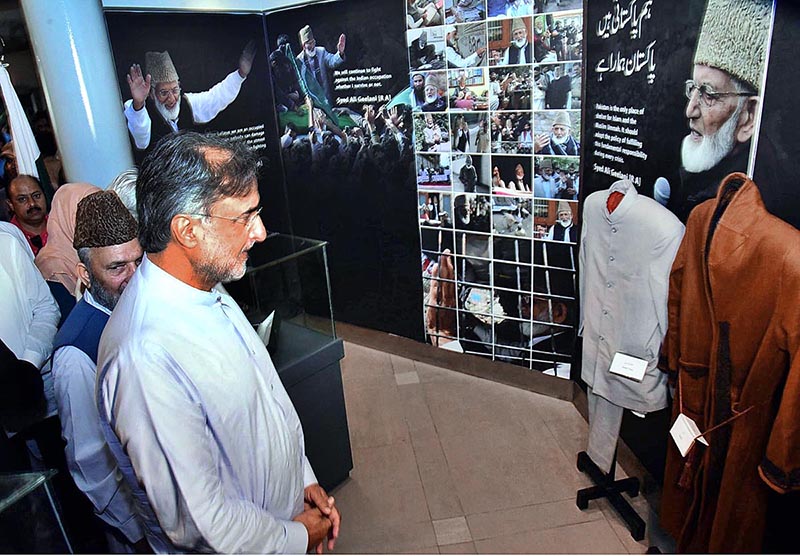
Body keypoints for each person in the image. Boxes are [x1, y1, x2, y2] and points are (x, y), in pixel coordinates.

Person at [97, 132, 340, 553]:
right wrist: (301, 535)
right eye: (244, 217)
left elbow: (264, 400)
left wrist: (303, 479)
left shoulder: (205, 281)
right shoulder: (144, 356)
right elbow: (201, 521)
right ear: (188, 230)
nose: (260, 232)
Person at [51, 191, 145, 552]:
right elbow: (91, 465)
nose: (133, 277)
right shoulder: (75, 355)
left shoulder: (135, 307)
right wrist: (138, 532)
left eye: (138, 262)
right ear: (84, 275)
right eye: (117, 267)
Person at [672, 0, 770, 222]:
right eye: (693, 89)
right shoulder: (696, 184)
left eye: (709, 95)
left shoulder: (740, 210)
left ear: (749, 116)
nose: (690, 110)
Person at [123, 42, 256, 158]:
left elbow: (216, 97)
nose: (171, 98)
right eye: (163, 93)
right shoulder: (138, 111)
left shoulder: (187, 102)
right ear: (152, 94)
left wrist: (241, 74)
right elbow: (141, 140)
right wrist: (139, 103)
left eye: (175, 90)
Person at [34, 182, 100, 323]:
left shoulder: (98, 254)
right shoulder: (51, 268)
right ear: (67, 216)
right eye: (87, 215)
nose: (96, 222)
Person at [297, 25, 346, 107]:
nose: (312, 46)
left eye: (313, 42)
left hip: (326, 99)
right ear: (303, 46)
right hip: (312, 103)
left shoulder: (321, 51)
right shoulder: (299, 61)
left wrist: (340, 53)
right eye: (309, 43)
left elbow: (332, 62)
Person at [5, 174, 48, 255]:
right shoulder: (8, 238)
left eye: (36, 196)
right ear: (11, 204)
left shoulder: (62, 225)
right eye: (22, 199)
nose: (32, 203)